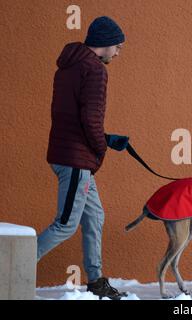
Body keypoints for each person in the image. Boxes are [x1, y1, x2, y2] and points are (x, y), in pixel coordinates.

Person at [38, 16, 129, 300]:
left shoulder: (68, 67)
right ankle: (8, 267)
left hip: (68, 154)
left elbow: (74, 116)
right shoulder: (95, 70)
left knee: (94, 217)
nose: (118, 52)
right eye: (118, 46)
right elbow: (90, 118)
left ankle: (96, 282)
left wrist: (103, 138)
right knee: (65, 225)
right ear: (104, 44)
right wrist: (101, 146)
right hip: (76, 160)